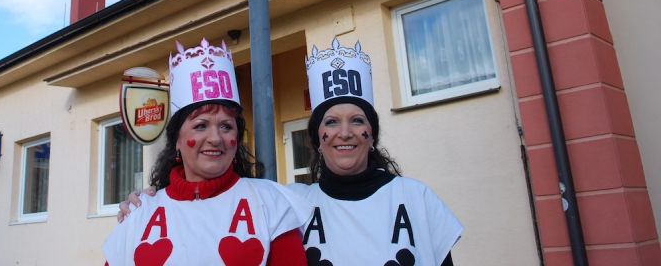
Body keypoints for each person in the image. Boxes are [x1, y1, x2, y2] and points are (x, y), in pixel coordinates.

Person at [121, 38, 463, 266]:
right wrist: (141, 202)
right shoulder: (292, 202)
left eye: (357, 120)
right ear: (317, 139)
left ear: (371, 134)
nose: (345, 133)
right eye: (331, 122)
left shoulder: (417, 198)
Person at [102, 38, 312, 266]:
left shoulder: (270, 201)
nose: (215, 138)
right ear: (177, 141)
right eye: (201, 125)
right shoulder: (140, 211)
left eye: (226, 126)